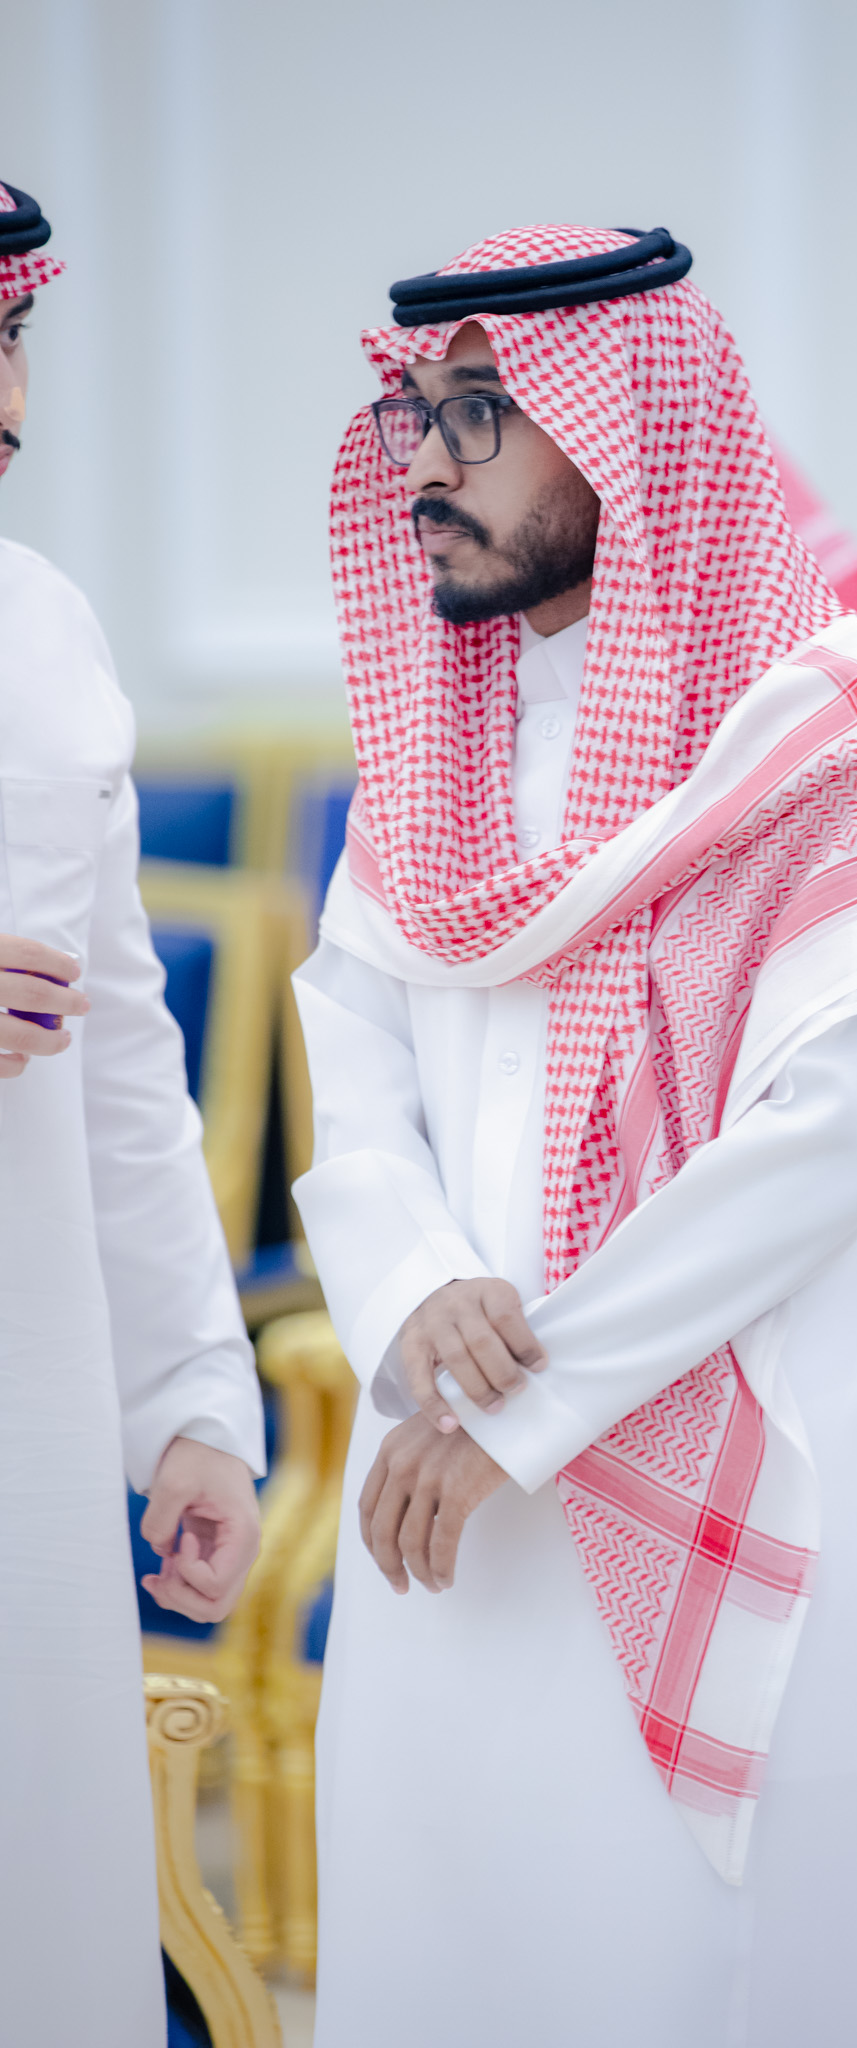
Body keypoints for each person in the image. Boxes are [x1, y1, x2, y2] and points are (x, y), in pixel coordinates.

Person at [293, 224, 857, 2048]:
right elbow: (351, 1035)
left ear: (627, 429)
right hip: (447, 1476)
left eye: (481, 413)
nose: (426, 466)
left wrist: (529, 1405)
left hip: (735, 1457)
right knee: (451, 1945)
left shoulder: (839, 750)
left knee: (708, 1975)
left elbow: (829, 1146)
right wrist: (410, 1281)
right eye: (414, 415)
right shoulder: (436, 750)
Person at [0, 180, 267, 2047]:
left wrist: (187, 1404)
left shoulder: (43, 627)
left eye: (12, 336)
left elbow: (119, 1068)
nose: (8, 399)